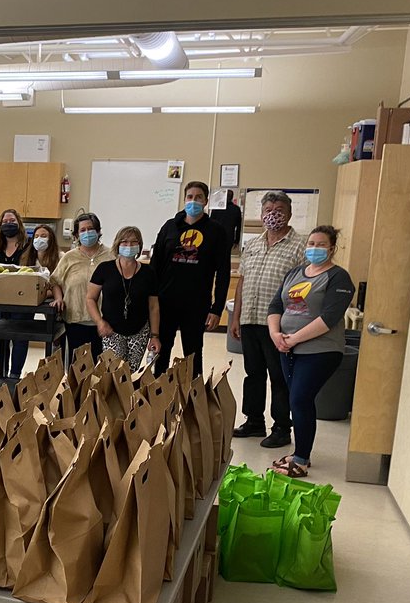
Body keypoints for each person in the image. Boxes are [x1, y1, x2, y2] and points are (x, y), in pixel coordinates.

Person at [267, 226, 355, 478]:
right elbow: (276, 305)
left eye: (320, 244)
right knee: (297, 399)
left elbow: (329, 317)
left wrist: (293, 339)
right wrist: (276, 334)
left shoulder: (339, 278)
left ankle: (301, 459)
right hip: (287, 347)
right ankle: (300, 452)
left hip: (320, 350)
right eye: (311, 243)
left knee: (300, 399)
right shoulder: (295, 273)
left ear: (332, 248)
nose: (314, 249)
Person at [232, 191, 307, 449]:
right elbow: (242, 282)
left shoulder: (300, 246)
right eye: (268, 209)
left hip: (279, 325)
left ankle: (281, 428)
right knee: (253, 374)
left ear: (289, 213)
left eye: (278, 209)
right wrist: (236, 317)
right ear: (261, 213)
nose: (273, 214)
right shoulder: (252, 244)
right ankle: (253, 421)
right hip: (250, 319)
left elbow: (305, 286)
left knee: (279, 376)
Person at [151, 180, 231, 378]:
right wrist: (151, 301)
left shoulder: (216, 231)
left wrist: (216, 308)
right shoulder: (169, 227)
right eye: (189, 197)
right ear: (184, 199)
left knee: (193, 354)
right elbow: (155, 266)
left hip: (196, 304)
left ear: (205, 201)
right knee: (161, 352)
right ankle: (158, 396)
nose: (193, 201)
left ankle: (193, 400)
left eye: (198, 197)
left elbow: (223, 273)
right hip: (166, 302)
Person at [86, 226, 161, 371]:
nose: (129, 246)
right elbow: (90, 298)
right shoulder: (104, 269)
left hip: (139, 331)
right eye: (124, 242)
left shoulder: (148, 272)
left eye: (134, 242)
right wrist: (99, 322)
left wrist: (155, 335)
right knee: (112, 373)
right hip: (112, 330)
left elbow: (154, 307)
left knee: (132, 374)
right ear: (117, 244)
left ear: (139, 245)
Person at [50, 212, 114, 360]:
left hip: (105, 323)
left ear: (98, 231)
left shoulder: (111, 255)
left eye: (90, 229)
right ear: (77, 235)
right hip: (75, 320)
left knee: (102, 369)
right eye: (82, 230)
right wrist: (59, 298)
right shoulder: (69, 257)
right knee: (77, 368)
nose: (87, 233)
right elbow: (55, 282)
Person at [0, 208, 32, 380]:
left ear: (19, 223)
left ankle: (15, 375)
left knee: (20, 338)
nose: (8, 224)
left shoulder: (29, 246)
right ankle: (1, 374)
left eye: (12, 221)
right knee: (0, 339)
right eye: (5, 222)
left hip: (23, 300)